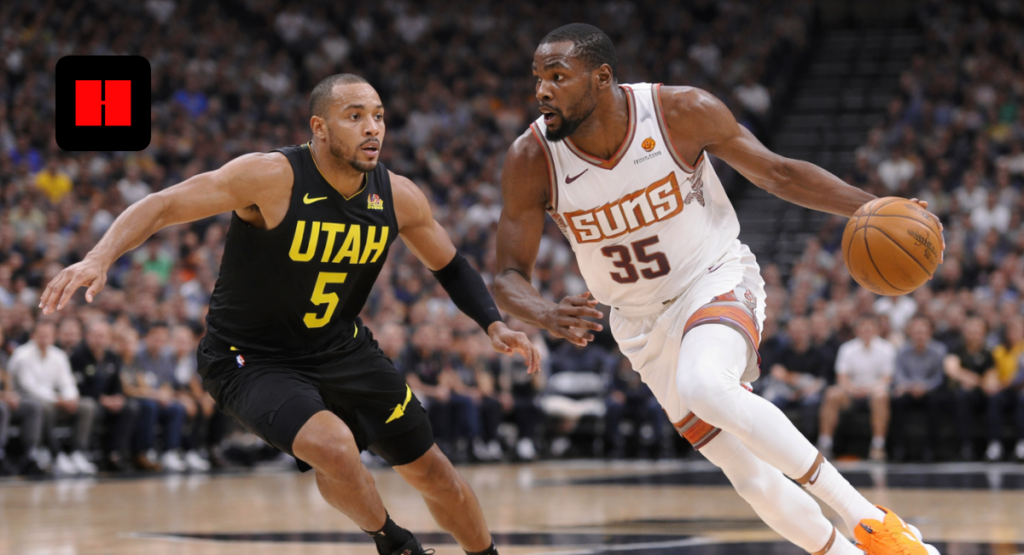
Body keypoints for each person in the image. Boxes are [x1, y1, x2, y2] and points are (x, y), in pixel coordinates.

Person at [40, 73, 537, 555]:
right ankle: (394, 542)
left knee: (436, 474)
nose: (373, 128)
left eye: (380, 117)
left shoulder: (398, 196)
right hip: (250, 358)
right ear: (319, 128)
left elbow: (450, 266)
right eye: (355, 116)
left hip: (341, 347)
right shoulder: (272, 176)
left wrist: (492, 322)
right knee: (335, 448)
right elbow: (163, 204)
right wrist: (99, 256)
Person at [494, 24, 941, 555]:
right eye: (538, 78)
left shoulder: (679, 112)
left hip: (712, 277)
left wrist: (871, 207)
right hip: (638, 324)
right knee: (749, 478)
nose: (542, 90)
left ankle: (872, 521)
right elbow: (505, 276)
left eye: (558, 77)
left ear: (603, 77)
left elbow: (777, 173)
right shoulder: (531, 158)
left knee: (706, 383)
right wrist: (544, 313)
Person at [8, 320, 97, 475]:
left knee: (87, 405)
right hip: (28, 401)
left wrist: (71, 398)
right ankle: (56, 454)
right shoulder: (21, 355)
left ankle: (77, 452)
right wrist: (58, 400)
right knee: (43, 407)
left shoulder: (59, 355)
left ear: (54, 337)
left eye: (48, 335)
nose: (44, 338)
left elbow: (67, 381)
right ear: (33, 336)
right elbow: (29, 387)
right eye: (40, 335)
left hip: (57, 401)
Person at [818, 317, 896, 462]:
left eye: (870, 328)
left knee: (881, 396)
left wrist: (869, 389)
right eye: (863, 328)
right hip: (851, 393)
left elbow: (887, 379)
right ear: (857, 330)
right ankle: (825, 444)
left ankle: (878, 447)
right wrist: (853, 389)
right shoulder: (847, 348)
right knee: (831, 394)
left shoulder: (887, 348)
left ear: (877, 330)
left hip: (874, 392)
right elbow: (842, 378)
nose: (866, 331)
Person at [69, 320, 138, 471]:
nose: (100, 339)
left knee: (129, 408)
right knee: (94, 409)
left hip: (108, 401)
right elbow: (77, 386)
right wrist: (102, 399)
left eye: (103, 336)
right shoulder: (78, 356)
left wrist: (118, 397)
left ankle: (116, 452)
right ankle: (84, 452)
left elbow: (116, 383)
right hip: (89, 400)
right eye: (96, 335)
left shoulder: (112, 357)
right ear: (87, 336)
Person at [890, 317, 946, 462]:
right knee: (897, 401)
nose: (919, 335)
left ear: (929, 332)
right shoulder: (902, 350)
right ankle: (899, 448)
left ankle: (931, 449)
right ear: (910, 333)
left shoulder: (939, 350)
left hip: (930, 391)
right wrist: (911, 387)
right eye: (916, 332)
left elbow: (939, 376)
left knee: (936, 401)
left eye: (922, 331)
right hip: (909, 390)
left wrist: (925, 387)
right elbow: (899, 375)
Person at [763, 317, 827, 439]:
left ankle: (809, 441)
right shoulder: (782, 352)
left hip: (809, 391)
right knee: (771, 401)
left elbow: (822, 380)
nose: (798, 334)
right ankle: (772, 439)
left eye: (801, 330)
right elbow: (776, 372)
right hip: (786, 391)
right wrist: (794, 379)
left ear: (808, 331)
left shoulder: (819, 353)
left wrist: (803, 388)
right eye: (794, 331)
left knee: (811, 401)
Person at [944, 318, 995, 461]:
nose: (974, 335)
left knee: (995, 398)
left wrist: (972, 380)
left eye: (977, 332)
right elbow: (952, 370)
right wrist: (977, 379)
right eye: (970, 331)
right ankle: (965, 445)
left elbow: (990, 380)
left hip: (981, 396)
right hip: (960, 396)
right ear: (964, 333)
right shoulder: (957, 349)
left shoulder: (987, 353)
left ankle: (992, 445)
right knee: (962, 396)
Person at [983, 316, 1024, 461]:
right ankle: (994, 445)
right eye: (1012, 329)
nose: (1015, 333)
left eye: (1019, 329)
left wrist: (1003, 384)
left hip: (1020, 389)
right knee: (994, 399)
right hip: (1004, 391)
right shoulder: (999, 350)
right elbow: (992, 371)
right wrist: (990, 383)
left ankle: (1021, 444)